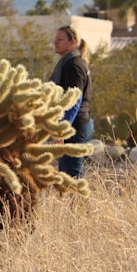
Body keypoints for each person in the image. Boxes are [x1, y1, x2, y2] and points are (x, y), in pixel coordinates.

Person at [50, 24, 94, 178]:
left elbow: (75, 99)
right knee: (65, 173)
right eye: (55, 39)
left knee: (71, 176)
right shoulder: (70, 63)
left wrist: (62, 130)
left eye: (60, 39)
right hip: (76, 124)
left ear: (72, 43)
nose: (55, 42)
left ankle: (79, 203)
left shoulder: (74, 65)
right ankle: (72, 202)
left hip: (75, 126)